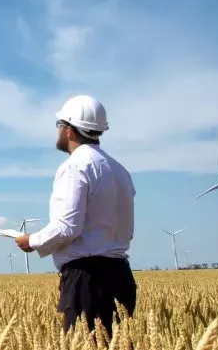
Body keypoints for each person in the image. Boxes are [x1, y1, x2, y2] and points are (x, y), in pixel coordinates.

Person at [14, 95, 136, 337]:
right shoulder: (119, 169)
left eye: (59, 126)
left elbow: (67, 227)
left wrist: (31, 241)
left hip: (88, 280)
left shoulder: (75, 166)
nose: (58, 131)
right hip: (121, 276)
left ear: (69, 131)